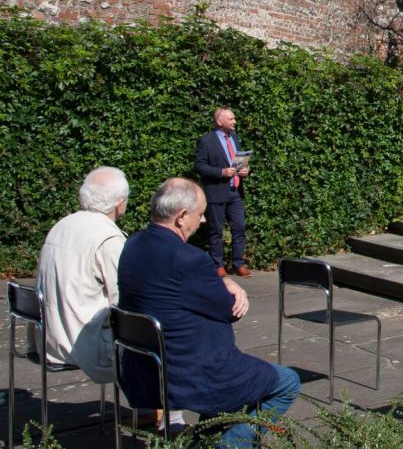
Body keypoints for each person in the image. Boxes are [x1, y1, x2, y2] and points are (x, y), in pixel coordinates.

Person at [118, 178, 300, 448]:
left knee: (232, 394)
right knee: (288, 382)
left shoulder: (132, 246)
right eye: (201, 213)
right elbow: (229, 310)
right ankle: (227, 445)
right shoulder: (189, 259)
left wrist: (223, 280)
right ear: (181, 216)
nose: (203, 220)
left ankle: (203, 441)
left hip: (143, 370)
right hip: (193, 374)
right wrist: (230, 286)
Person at [34, 167, 129, 383]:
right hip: (85, 345)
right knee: (164, 338)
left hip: (48, 340)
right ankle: (154, 402)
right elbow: (123, 301)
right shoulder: (109, 239)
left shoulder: (62, 225)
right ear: (119, 203)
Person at [195, 106, 251, 277]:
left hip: (235, 191)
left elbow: (238, 162)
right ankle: (217, 265)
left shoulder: (234, 137)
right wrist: (221, 172)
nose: (235, 121)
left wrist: (245, 170)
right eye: (231, 119)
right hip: (216, 192)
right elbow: (199, 166)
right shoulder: (206, 141)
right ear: (219, 121)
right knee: (216, 230)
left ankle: (238, 263)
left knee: (239, 227)